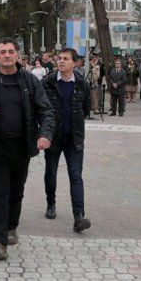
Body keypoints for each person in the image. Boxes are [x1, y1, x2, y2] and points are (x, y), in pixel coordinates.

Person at [0, 38, 54, 260]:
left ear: (18, 55)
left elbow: (46, 110)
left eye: (11, 52)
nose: (7, 55)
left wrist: (45, 134)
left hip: (21, 146)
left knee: (16, 191)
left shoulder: (30, 81)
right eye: (3, 52)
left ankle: (11, 226)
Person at [41, 48, 91, 231]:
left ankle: (79, 216)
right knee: (51, 172)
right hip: (53, 137)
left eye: (65, 59)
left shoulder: (81, 84)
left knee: (76, 176)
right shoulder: (47, 82)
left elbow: (86, 109)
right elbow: (40, 107)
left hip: (74, 138)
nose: (61, 61)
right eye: (59, 58)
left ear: (75, 62)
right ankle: (50, 203)